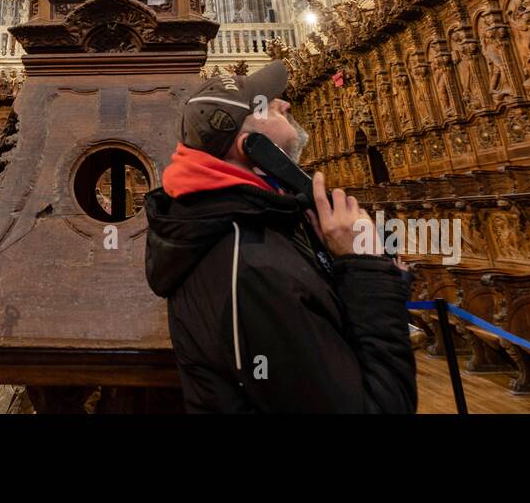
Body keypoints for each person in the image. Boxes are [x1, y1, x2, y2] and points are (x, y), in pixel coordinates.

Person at [144, 60, 417, 413]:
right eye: (268, 104)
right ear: (251, 146)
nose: (285, 104)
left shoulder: (251, 224)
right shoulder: (253, 269)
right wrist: (368, 275)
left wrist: (354, 270)